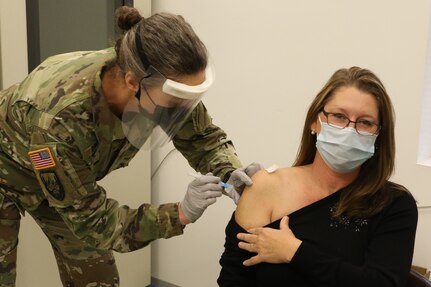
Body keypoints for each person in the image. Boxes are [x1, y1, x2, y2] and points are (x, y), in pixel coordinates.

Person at [0, 6, 259, 286]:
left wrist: (230, 171)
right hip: (7, 167)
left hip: (67, 180)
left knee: (99, 280)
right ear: (132, 82)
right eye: (176, 103)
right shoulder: (60, 121)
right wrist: (180, 213)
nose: (182, 111)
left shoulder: (161, 82)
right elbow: (94, 222)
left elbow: (202, 138)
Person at [217, 67, 418, 287]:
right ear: (315, 121)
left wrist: (294, 252)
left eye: (365, 122)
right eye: (339, 116)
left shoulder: (393, 205)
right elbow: (233, 277)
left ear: (378, 135)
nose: (350, 130)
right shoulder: (266, 187)